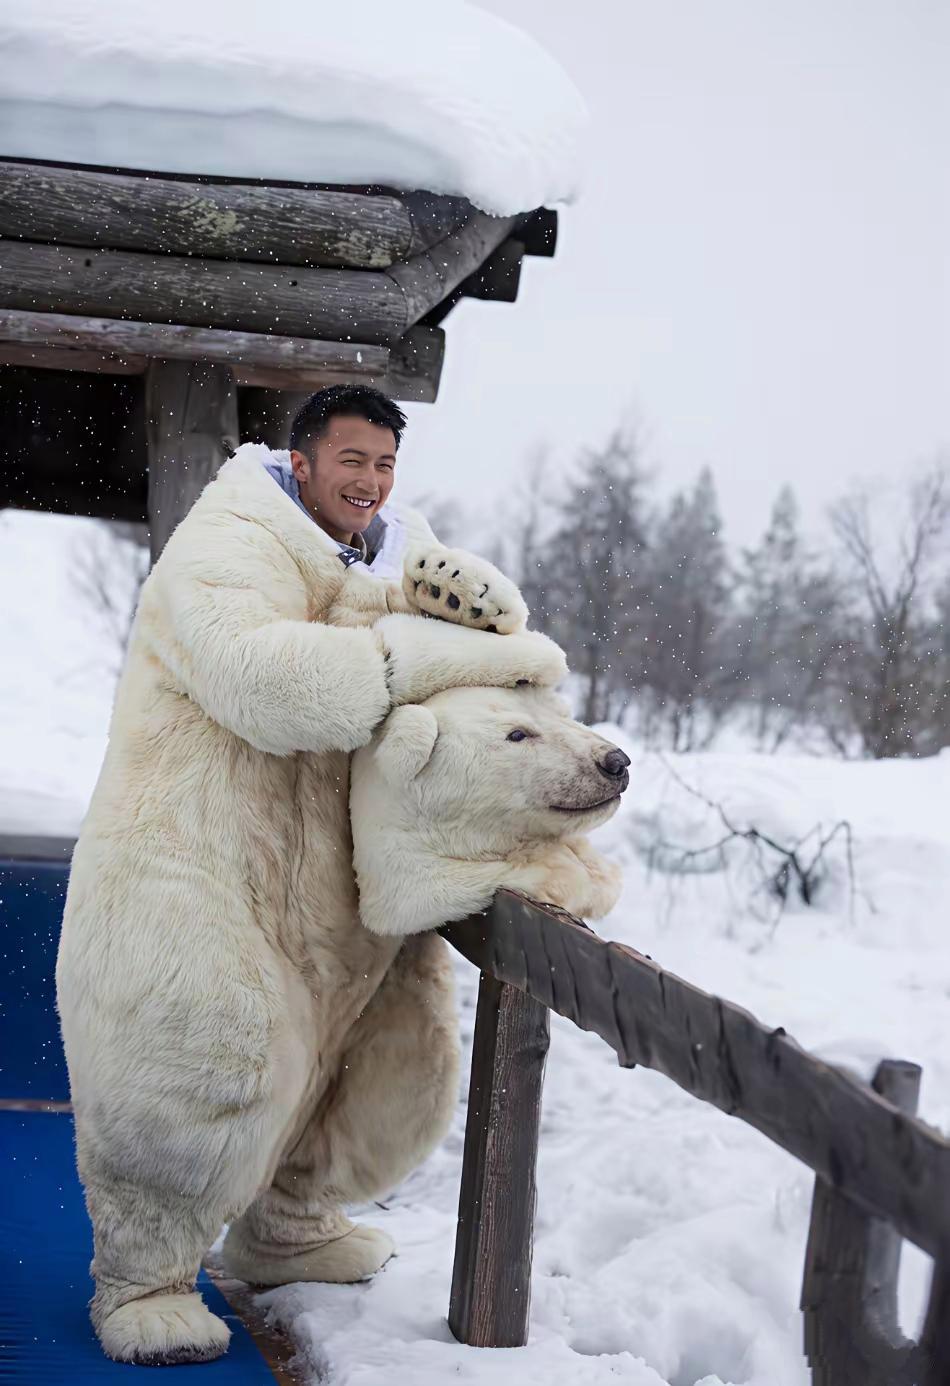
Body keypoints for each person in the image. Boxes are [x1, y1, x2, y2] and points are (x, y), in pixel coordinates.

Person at [56, 384, 566, 1365]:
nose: (369, 483)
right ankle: (141, 1278)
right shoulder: (226, 542)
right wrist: (417, 648)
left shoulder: (396, 561)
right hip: (195, 865)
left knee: (363, 1063)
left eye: (383, 465)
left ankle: (286, 1228)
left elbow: (457, 700)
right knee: (197, 1054)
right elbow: (267, 685)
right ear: (300, 462)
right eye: (351, 462)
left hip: (331, 893)